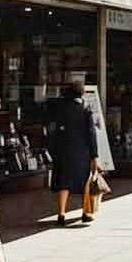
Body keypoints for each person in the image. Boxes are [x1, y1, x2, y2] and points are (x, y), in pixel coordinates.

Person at [47, 81, 99, 226]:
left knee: (64, 182)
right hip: (82, 151)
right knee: (85, 182)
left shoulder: (61, 108)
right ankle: (85, 212)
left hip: (63, 151)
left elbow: (54, 130)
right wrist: (94, 154)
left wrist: (54, 149)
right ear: (82, 93)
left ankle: (61, 213)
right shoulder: (85, 109)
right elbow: (91, 134)